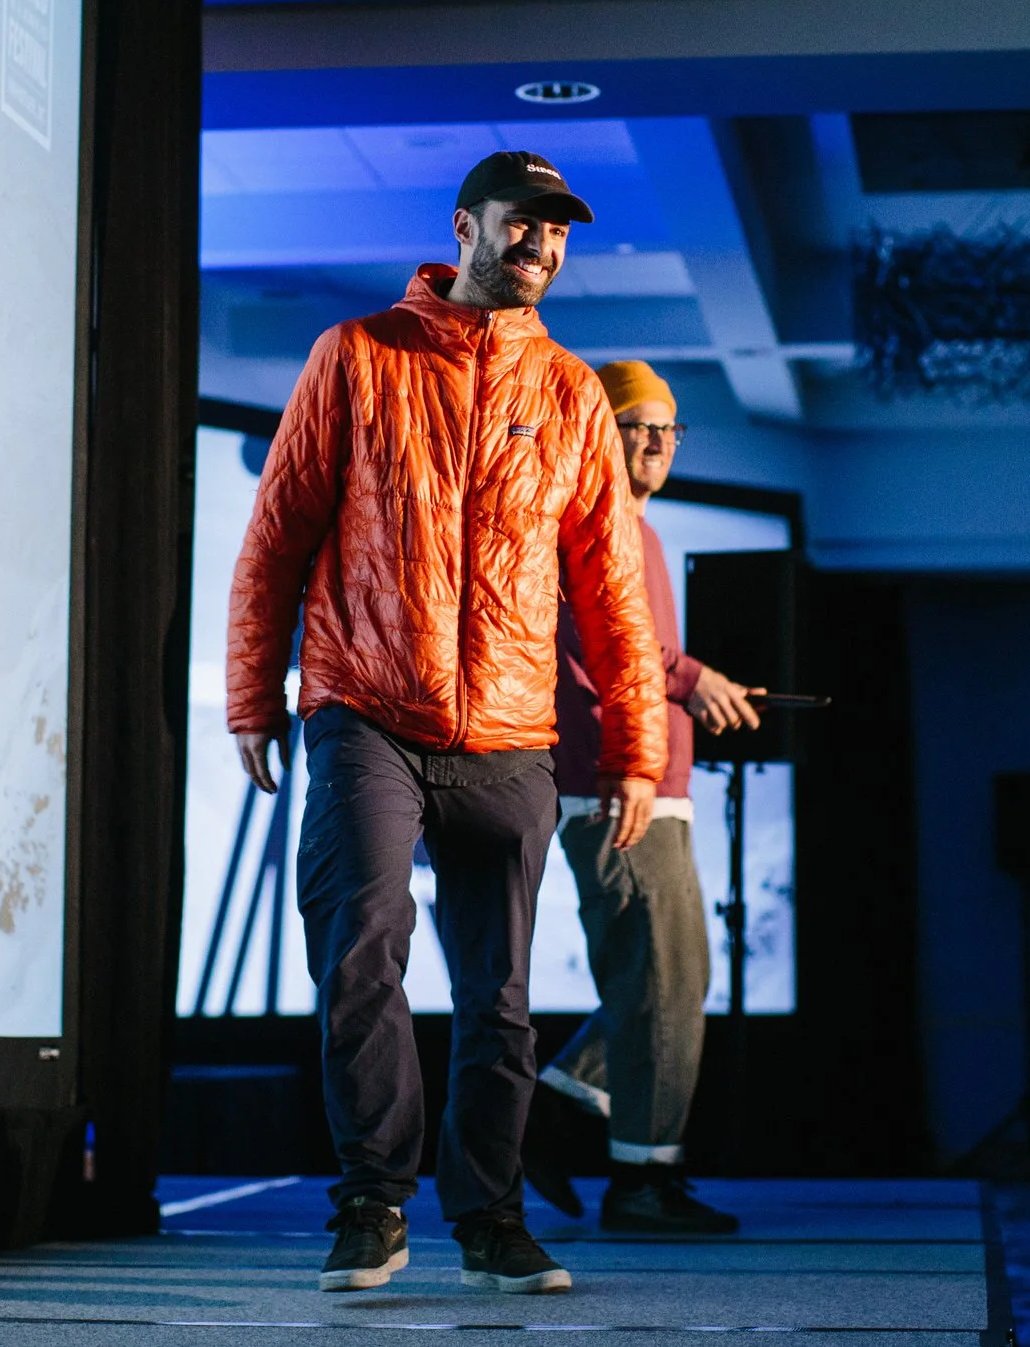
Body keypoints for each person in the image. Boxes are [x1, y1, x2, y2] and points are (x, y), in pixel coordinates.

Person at [228, 151, 667, 1296]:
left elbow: (613, 587)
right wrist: (249, 694)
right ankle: (374, 1200)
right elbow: (275, 536)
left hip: (510, 734)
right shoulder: (358, 356)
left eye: (559, 231)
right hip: (366, 703)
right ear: (465, 224)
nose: (542, 244)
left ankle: (490, 1216)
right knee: (363, 940)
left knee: (502, 996)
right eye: (523, 223)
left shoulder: (571, 392)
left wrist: (634, 747)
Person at [520, 361, 760, 1235]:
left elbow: (639, 647)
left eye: (669, 429)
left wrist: (689, 686)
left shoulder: (640, 530)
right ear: (600, 431)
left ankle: (557, 1114)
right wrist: (693, 676)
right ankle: (639, 1181)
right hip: (615, 784)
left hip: (655, 782)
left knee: (669, 979)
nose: (657, 441)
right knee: (659, 983)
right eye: (637, 425)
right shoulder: (584, 515)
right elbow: (611, 639)